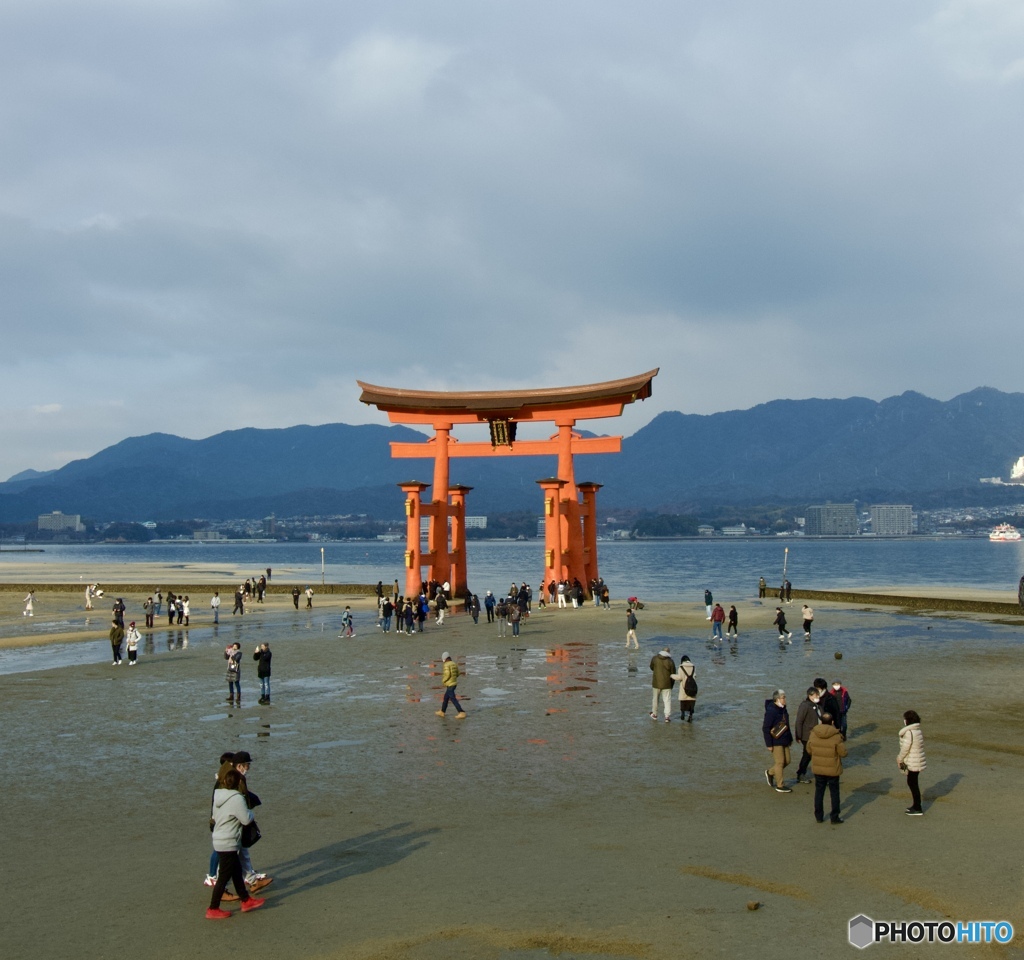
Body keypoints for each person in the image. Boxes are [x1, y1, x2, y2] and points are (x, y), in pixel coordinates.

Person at [206, 768, 266, 919]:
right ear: (239, 782)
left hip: (220, 839)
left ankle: (246, 900)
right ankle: (213, 908)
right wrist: (251, 813)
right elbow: (246, 819)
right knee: (224, 876)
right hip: (228, 841)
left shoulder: (218, 795)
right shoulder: (236, 798)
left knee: (236, 871)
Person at [807, 712, 848, 823]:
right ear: (832, 722)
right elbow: (843, 753)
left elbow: (809, 750)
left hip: (818, 768)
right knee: (834, 793)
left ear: (821, 721)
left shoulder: (813, 734)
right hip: (832, 769)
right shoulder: (836, 736)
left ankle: (819, 817)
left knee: (819, 792)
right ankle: (834, 817)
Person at [762, 689, 793, 792]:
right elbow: (766, 728)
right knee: (779, 762)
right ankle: (780, 785)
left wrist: (790, 738)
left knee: (787, 761)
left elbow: (787, 725)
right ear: (777, 699)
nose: (785, 699)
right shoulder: (771, 711)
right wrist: (769, 744)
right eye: (783, 697)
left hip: (785, 739)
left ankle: (770, 773)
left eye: (785, 697)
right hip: (775, 740)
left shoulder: (784, 709)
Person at [897, 710, 926, 815]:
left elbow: (905, 748)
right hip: (916, 760)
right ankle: (916, 805)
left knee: (912, 783)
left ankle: (917, 807)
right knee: (913, 782)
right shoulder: (917, 731)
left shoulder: (909, 732)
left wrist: (899, 758)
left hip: (913, 762)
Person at [794, 687, 822, 784]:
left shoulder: (817, 705)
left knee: (814, 755)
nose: (818, 696)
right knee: (807, 755)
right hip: (807, 735)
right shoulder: (805, 706)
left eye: (818, 695)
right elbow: (799, 721)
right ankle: (801, 774)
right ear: (810, 695)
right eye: (816, 695)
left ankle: (817, 774)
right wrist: (798, 735)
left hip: (817, 735)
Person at [436, 652, 466, 718]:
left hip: (450, 684)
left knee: (453, 698)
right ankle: (442, 711)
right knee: (446, 698)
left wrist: (444, 680)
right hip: (454, 683)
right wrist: (453, 678)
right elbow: (458, 673)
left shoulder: (446, 665)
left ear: (445, 659)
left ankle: (461, 712)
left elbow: (447, 674)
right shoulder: (454, 663)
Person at [649, 647, 676, 722]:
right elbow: (673, 673)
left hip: (656, 683)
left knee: (655, 699)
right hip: (667, 683)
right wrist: (672, 684)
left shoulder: (655, 658)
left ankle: (654, 714)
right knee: (667, 700)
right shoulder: (670, 661)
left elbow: (651, 667)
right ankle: (667, 717)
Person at [672, 655, 697, 721]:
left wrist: (671, 675)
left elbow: (679, 677)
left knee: (683, 702)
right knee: (691, 702)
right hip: (692, 687)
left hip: (684, 688)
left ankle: (682, 713)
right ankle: (690, 715)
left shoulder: (681, 667)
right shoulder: (693, 667)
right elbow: (695, 676)